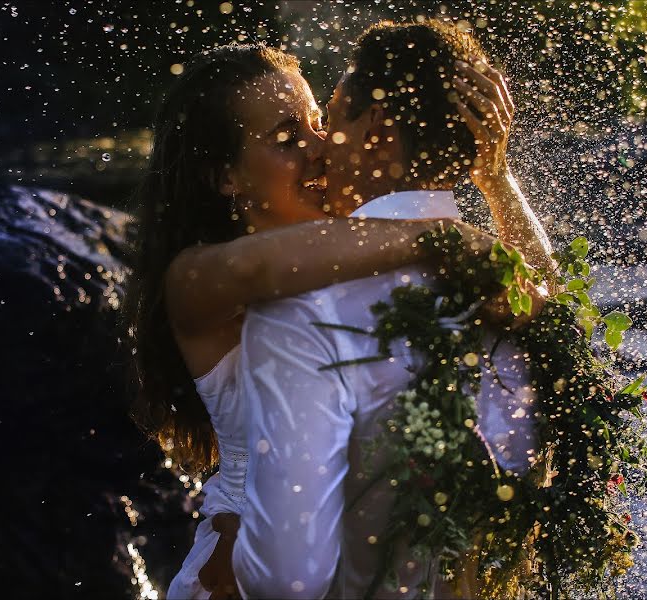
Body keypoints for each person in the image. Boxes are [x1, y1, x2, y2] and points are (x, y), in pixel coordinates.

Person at [125, 41, 539, 599]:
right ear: (227, 177)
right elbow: (255, 272)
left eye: (318, 121)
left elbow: (539, 306)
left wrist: (496, 180)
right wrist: (443, 233)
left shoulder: (375, 246)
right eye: (287, 139)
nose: (321, 147)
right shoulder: (197, 278)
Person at [231, 20, 554, 598]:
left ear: (376, 125)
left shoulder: (306, 310)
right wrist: (496, 179)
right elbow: (562, 323)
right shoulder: (518, 296)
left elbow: (286, 578)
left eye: (329, 119)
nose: (318, 145)